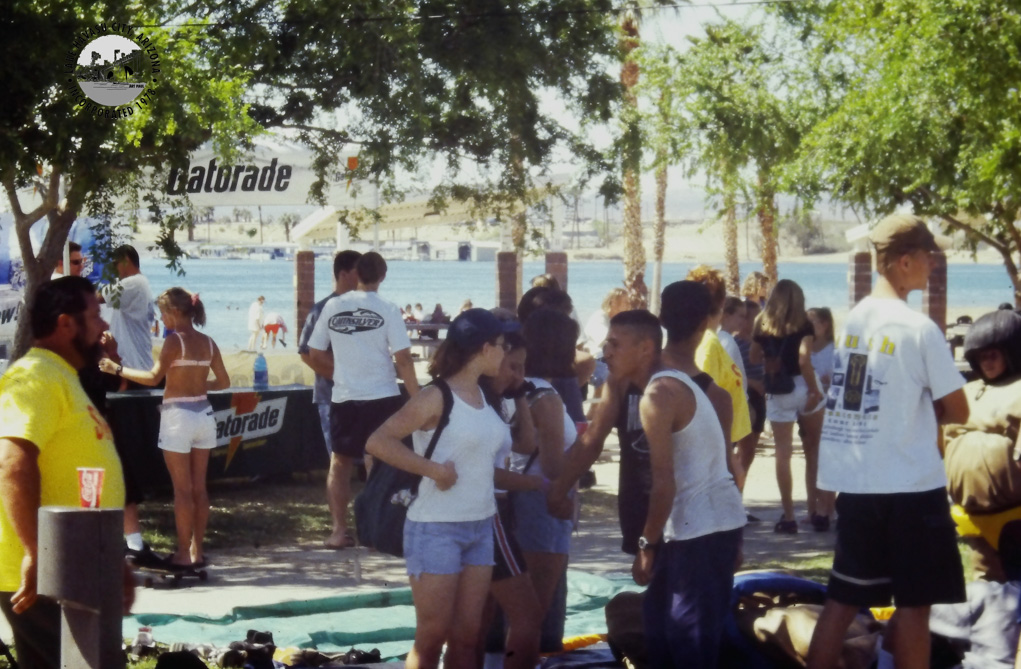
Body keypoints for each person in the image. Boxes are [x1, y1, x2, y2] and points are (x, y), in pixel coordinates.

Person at [807, 214, 970, 669]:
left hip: (859, 485)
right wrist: (921, 407)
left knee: (842, 601)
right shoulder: (918, 328)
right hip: (912, 488)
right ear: (904, 261)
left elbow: (857, 397)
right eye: (928, 257)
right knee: (916, 605)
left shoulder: (856, 321)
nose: (932, 267)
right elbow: (959, 410)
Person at [366, 308, 518, 669]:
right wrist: (433, 470)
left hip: (481, 526)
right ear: (484, 348)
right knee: (432, 636)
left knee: (468, 636)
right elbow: (378, 441)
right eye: (503, 345)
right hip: (435, 528)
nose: (506, 352)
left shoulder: (485, 396)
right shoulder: (436, 396)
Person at [0, 276, 134, 669]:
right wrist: (35, 552)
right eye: (95, 315)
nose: (105, 326)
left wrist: (114, 560)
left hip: (72, 567)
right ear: (65, 324)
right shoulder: (36, 377)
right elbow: (11, 462)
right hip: (48, 572)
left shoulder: (64, 378)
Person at [631, 282, 745, 669]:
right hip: (686, 524)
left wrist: (646, 542)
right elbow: (728, 468)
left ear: (662, 319)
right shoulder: (715, 396)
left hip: (687, 524)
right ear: (706, 323)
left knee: (683, 638)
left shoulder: (651, 386)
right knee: (672, 630)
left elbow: (672, 478)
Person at [100, 288, 230, 567]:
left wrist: (116, 369)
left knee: (182, 490)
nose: (161, 319)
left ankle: (183, 553)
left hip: (178, 417)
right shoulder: (208, 342)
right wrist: (196, 384)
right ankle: (197, 550)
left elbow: (152, 377)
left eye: (162, 313)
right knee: (199, 488)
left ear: (172, 313)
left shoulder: (174, 342)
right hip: (204, 415)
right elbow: (223, 382)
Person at [307, 252, 420, 548]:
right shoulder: (389, 308)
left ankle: (338, 530)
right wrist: (418, 398)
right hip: (382, 396)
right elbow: (405, 358)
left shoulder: (333, 305)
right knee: (380, 462)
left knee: (339, 463)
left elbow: (315, 354)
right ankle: (375, 527)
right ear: (383, 275)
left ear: (356, 274)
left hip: (344, 397)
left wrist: (343, 372)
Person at [513, 308, 580, 646]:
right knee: (534, 614)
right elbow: (554, 467)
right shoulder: (546, 398)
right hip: (544, 505)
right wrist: (585, 451)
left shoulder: (519, 387)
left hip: (519, 499)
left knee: (517, 610)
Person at [751, 279, 826, 533]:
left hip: (778, 387)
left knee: (783, 453)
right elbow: (804, 359)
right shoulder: (803, 323)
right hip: (805, 386)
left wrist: (771, 359)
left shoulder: (761, 322)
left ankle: (789, 516)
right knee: (813, 449)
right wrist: (814, 390)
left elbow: (752, 356)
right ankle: (815, 511)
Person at [298, 250, 361, 550]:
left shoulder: (369, 309)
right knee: (340, 462)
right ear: (345, 273)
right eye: (359, 272)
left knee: (377, 458)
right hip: (332, 397)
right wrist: (341, 376)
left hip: (368, 396)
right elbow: (307, 354)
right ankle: (339, 529)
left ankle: (374, 526)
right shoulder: (322, 309)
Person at [681, 265, 751, 447]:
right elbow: (703, 404)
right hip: (714, 444)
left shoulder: (713, 341)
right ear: (721, 303)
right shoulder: (708, 344)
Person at [101, 244, 155, 372]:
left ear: (126, 260)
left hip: (132, 366)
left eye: (115, 264)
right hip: (138, 365)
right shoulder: (142, 284)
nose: (114, 270)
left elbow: (98, 297)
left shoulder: (134, 283)